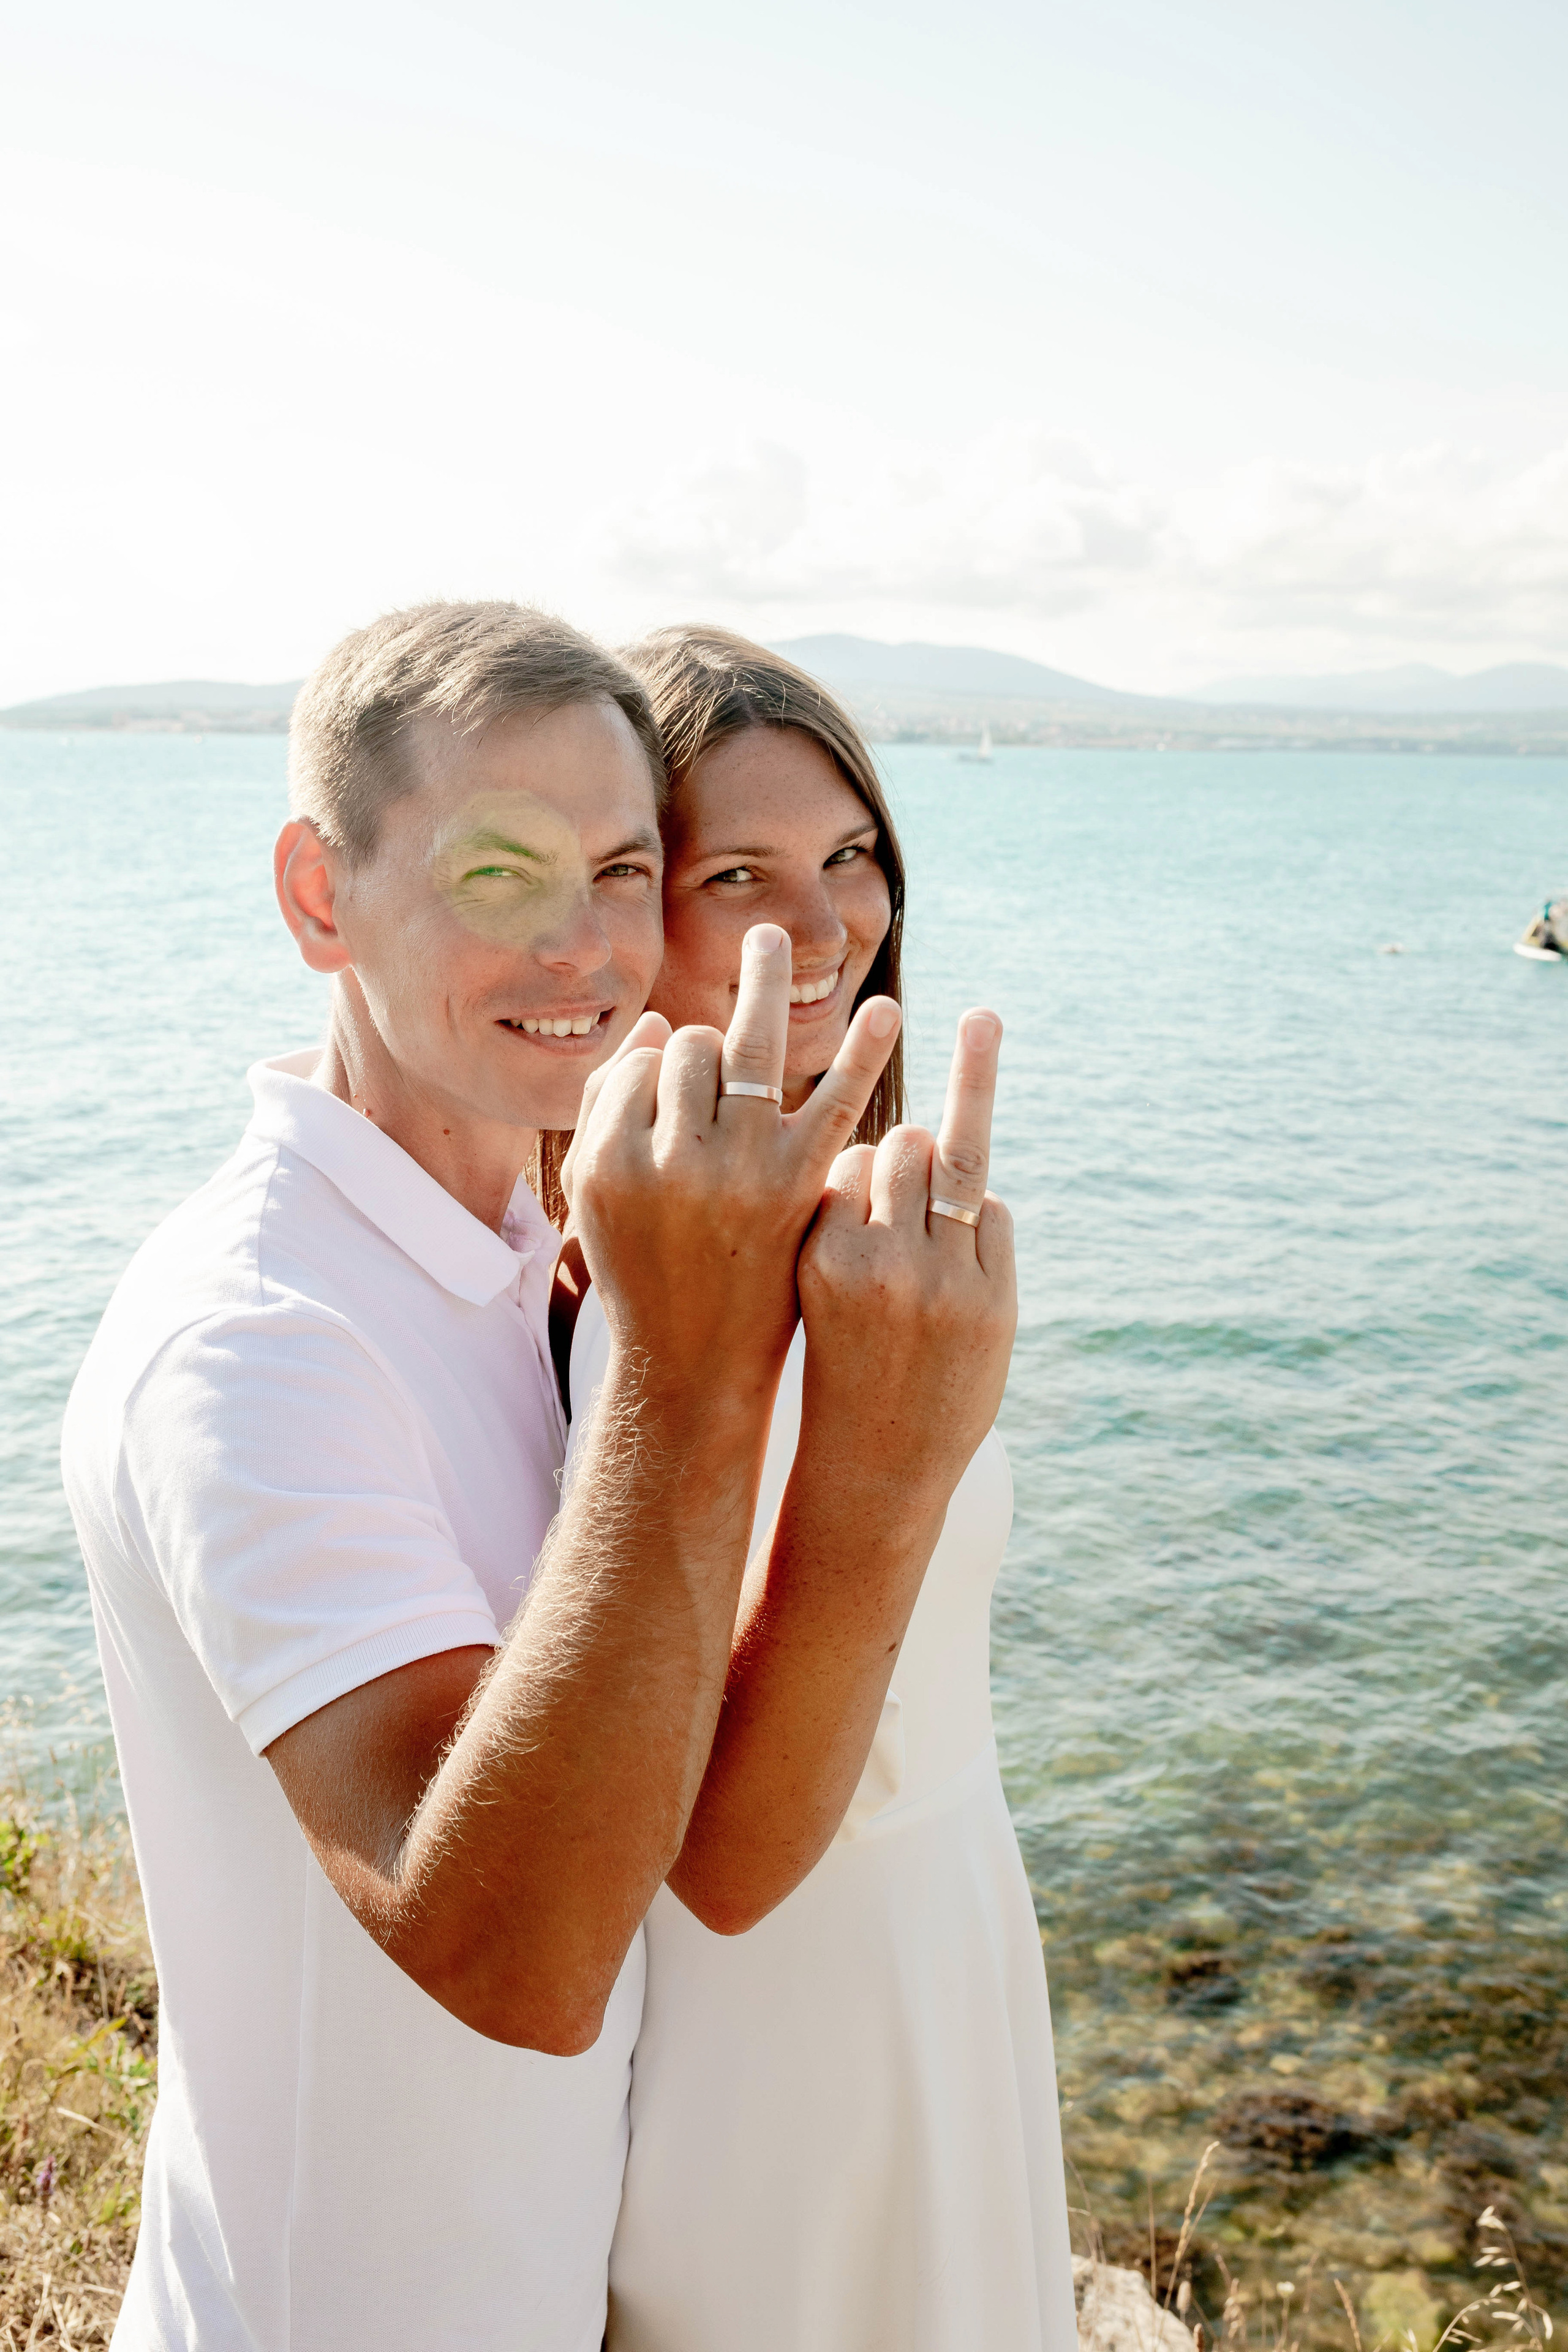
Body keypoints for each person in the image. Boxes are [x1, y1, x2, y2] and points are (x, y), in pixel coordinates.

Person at [61, 601, 920, 2351]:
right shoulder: (260, 1339)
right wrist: (703, 1376)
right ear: (321, 896)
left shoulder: (529, 1253)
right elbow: (509, 1960)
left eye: (620, 871)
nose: (585, 949)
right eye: (500, 874)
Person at [555, 628, 1077, 2352]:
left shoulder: (866, 1236)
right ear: (629, 910)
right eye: (744, 874)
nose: (835, 922)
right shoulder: (640, 1279)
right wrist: (887, 1452)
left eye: (851, 856)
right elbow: (716, 1847)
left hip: (950, 1934)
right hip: (779, 2017)